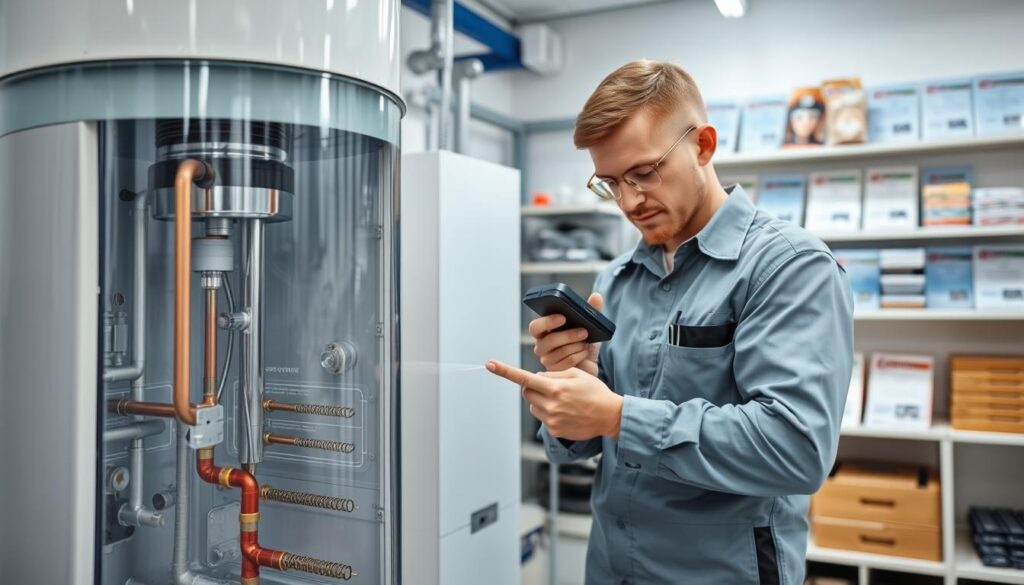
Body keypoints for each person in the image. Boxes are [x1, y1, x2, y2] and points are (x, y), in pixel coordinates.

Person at [486, 60, 854, 585]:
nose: (630, 201)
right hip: (612, 567)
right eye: (610, 183)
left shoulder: (789, 267)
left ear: (703, 146)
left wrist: (617, 416)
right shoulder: (614, 279)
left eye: (644, 172)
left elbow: (796, 448)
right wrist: (571, 395)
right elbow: (576, 447)